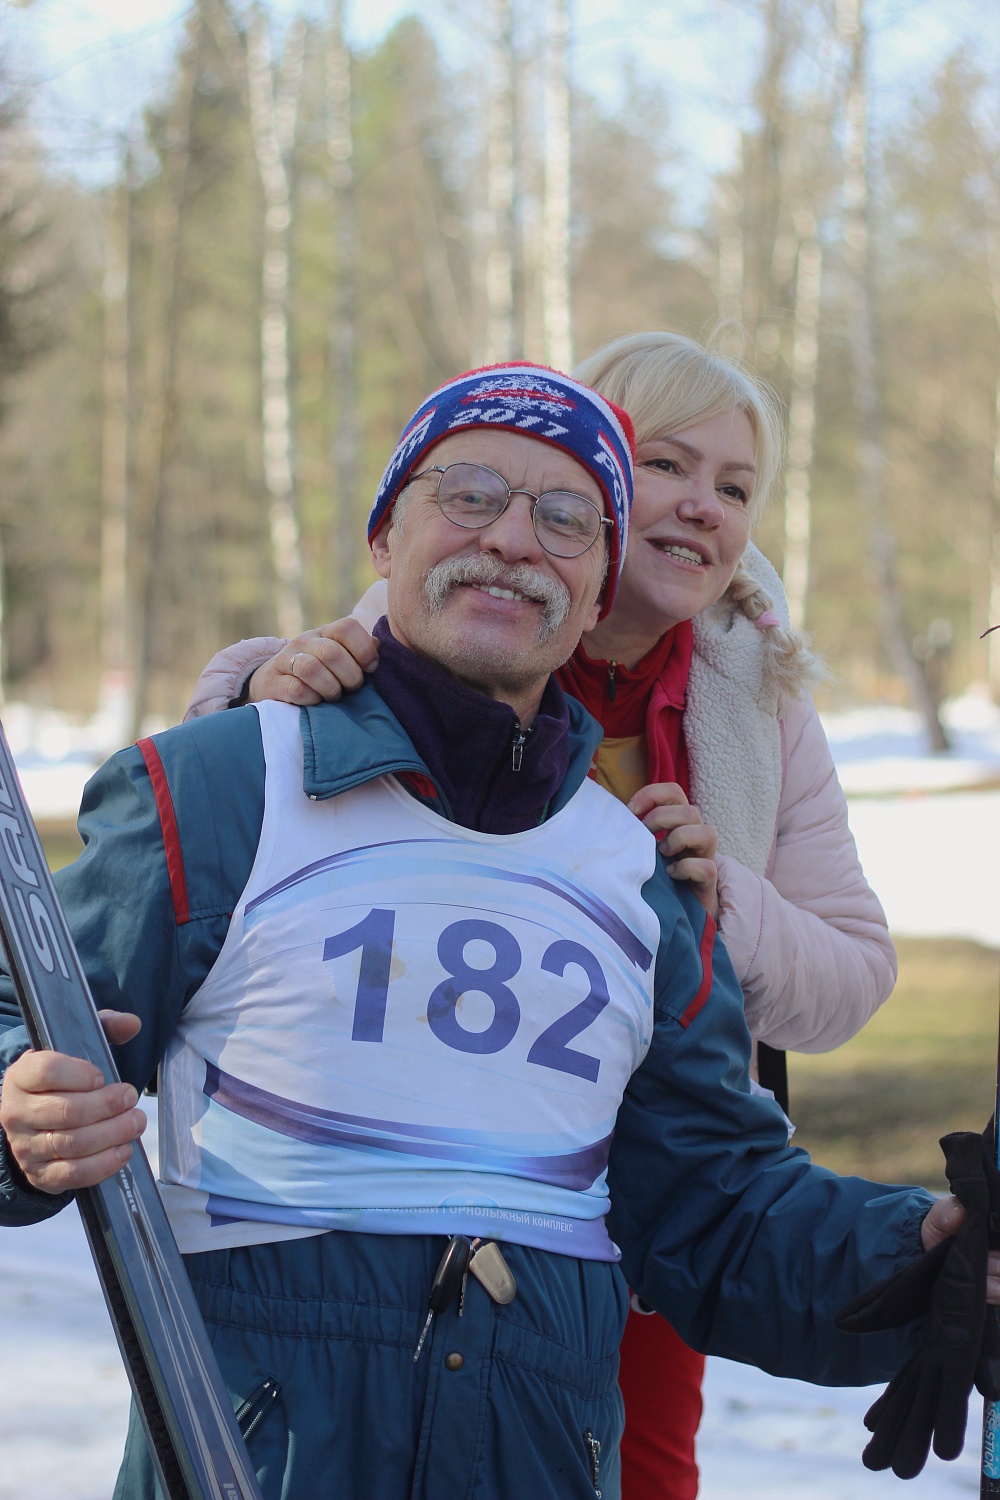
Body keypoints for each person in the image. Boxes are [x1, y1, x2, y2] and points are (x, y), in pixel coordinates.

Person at [0, 364, 970, 1500]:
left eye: (566, 519)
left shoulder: (639, 877)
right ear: (385, 538)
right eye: (467, 494)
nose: (512, 538)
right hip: (255, 1461)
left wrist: (930, 1257)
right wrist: (17, 1108)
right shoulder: (215, 789)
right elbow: (30, 1020)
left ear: (599, 589)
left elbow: (719, 1211)